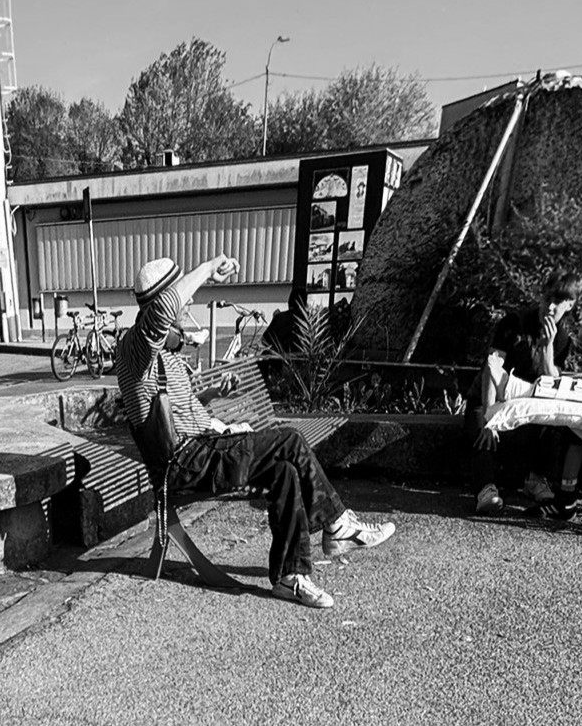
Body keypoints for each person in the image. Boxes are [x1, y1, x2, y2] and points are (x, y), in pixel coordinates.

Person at [115, 255, 395, 610]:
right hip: (184, 463)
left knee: (286, 471)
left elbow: (171, 412)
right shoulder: (135, 348)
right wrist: (207, 268)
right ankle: (338, 524)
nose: (188, 307)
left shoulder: (167, 358)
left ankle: (289, 577)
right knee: (289, 439)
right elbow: (163, 309)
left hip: (203, 450)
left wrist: (213, 395)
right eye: (182, 301)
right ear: (162, 304)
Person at [468, 272, 582, 515]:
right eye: (548, 299)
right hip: (490, 396)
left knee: (557, 421)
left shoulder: (562, 338)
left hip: (524, 403)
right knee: (482, 427)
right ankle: (485, 490)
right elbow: (492, 368)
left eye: (558, 302)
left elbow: (551, 384)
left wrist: (547, 348)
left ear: (570, 305)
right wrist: (491, 418)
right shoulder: (514, 323)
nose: (550, 307)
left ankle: (535, 478)